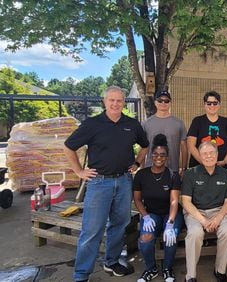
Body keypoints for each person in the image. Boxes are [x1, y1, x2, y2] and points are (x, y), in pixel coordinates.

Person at [63, 86, 149, 282]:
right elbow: (69, 147)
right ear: (104, 101)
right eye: (111, 100)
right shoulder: (92, 124)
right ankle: (81, 274)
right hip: (99, 183)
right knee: (92, 229)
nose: (115, 104)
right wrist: (78, 171)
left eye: (119, 100)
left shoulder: (132, 124)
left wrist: (136, 163)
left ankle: (111, 262)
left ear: (124, 102)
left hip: (124, 181)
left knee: (119, 225)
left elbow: (145, 145)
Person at [181, 141, 227, 282]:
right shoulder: (190, 173)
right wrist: (203, 221)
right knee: (195, 233)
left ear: (217, 155)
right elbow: (186, 201)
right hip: (195, 212)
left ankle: (220, 270)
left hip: (218, 211)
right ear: (199, 156)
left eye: (212, 153)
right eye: (205, 153)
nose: (208, 156)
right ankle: (191, 275)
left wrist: (217, 219)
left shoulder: (226, 174)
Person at [133, 134, 183, 282]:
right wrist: (145, 216)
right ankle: (151, 269)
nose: (159, 157)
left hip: (171, 213)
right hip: (151, 214)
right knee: (145, 238)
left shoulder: (173, 175)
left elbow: (174, 201)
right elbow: (137, 199)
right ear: (150, 155)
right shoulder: (141, 175)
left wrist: (171, 222)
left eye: (162, 155)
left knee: (170, 236)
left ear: (167, 157)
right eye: (155, 154)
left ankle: (168, 269)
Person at [137, 89, 188, 176]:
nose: (163, 103)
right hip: (150, 170)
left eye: (166, 101)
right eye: (160, 100)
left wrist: (184, 169)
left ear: (170, 103)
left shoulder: (179, 123)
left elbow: (184, 147)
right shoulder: (146, 123)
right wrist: (142, 169)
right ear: (155, 102)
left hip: (172, 170)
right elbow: (142, 148)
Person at [187, 91, 227, 171]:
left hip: (221, 168)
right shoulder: (197, 121)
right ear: (204, 104)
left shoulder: (226, 122)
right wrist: (204, 162)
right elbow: (191, 144)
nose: (212, 106)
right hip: (199, 168)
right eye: (209, 103)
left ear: (219, 104)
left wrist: (225, 161)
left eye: (215, 103)